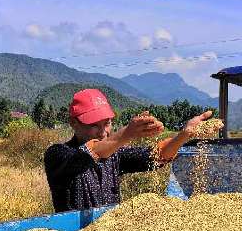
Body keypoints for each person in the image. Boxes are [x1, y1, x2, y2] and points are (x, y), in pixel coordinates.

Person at [44, 89, 212, 212]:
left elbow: (156, 156)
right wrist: (127, 133)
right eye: (94, 125)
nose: (103, 132)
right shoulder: (58, 154)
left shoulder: (116, 154)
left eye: (107, 123)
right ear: (74, 123)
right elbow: (89, 153)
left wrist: (183, 135)